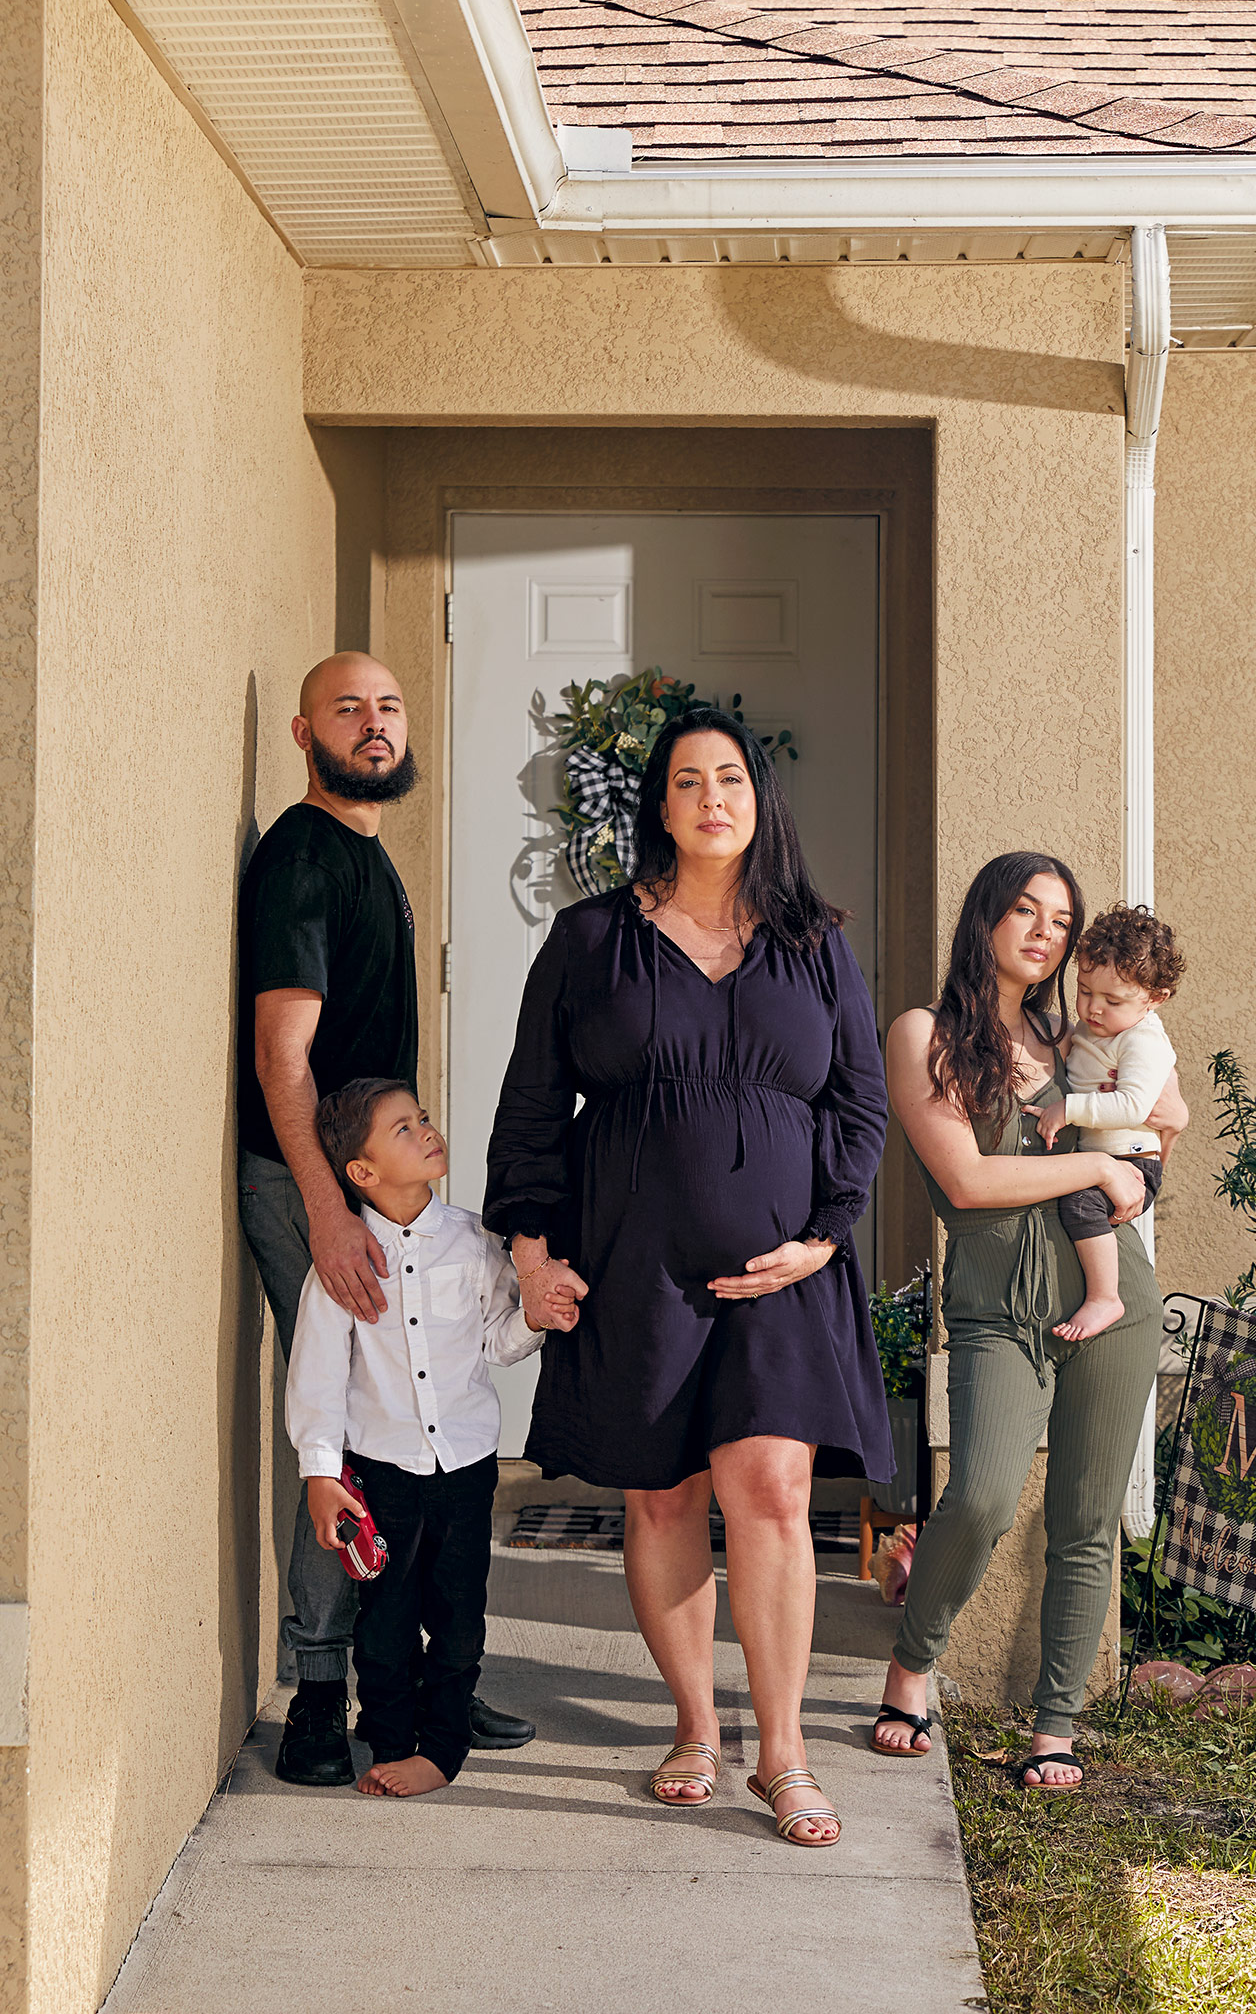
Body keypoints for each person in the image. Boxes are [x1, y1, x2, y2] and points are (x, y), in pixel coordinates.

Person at [483, 707, 893, 1848]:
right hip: (630, 1265)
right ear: (658, 807)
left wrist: (824, 1234)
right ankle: (694, 1726)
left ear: (759, 800)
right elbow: (530, 1105)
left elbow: (858, 1101)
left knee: (770, 1490)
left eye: (730, 779)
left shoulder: (815, 943)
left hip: (781, 1272)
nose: (712, 798)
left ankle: (787, 1754)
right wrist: (529, 1248)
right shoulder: (587, 940)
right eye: (686, 781)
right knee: (662, 1494)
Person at [238, 651, 534, 1785]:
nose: (375, 725)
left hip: (359, 1189)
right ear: (305, 734)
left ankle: (408, 1686)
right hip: (309, 1185)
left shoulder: (369, 857)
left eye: (390, 708)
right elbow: (283, 1055)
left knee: (406, 1430)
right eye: (348, 708)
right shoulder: (305, 858)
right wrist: (329, 1208)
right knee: (349, 1426)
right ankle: (323, 1692)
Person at [869, 853, 1186, 1787]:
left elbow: (1170, 1110)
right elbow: (967, 1181)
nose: (1045, 932)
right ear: (984, 919)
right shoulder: (923, 1034)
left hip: (1114, 1299)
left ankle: (1056, 1723)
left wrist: (1136, 1146)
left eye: (1061, 918)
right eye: (1025, 911)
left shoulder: (1075, 1031)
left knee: (1087, 1519)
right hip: (997, 1307)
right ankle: (912, 1661)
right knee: (980, 1498)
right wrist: (1095, 1166)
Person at [288, 1080, 553, 1797]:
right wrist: (321, 1472)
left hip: (465, 1467)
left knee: (459, 1619)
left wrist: (536, 1314)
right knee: (384, 1623)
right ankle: (390, 1742)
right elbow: (315, 1374)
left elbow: (497, 1345)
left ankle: (439, 1751)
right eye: (403, 1129)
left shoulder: (474, 1243)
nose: (427, 1131)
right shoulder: (341, 1262)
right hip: (383, 1469)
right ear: (362, 1174)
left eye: (423, 1119)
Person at [1038, 903, 1185, 1345]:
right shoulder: (1093, 1029)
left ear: (1154, 998)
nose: (1093, 1008)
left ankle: (1106, 1297)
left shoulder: (1143, 1040)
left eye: (1113, 1000)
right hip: (1109, 1155)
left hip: (1132, 1160)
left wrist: (1069, 1110)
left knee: (1080, 1204)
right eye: (1084, 991)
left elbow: (1134, 1106)